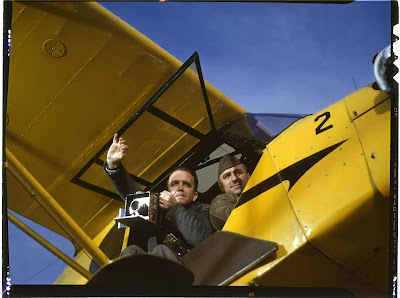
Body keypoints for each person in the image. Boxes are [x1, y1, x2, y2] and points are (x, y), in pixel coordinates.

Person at [104, 133, 213, 263]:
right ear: (168, 191)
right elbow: (134, 197)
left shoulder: (203, 210)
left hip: (192, 269)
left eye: (187, 184)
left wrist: (175, 208)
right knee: (131, 252)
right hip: (156, 271)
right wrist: (113, 166)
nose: (180, 188)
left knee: (161, 250)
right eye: (175, 183)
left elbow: (200, 238)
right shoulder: (158, 209)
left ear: (195, 196)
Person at [209, 154, 251, 230]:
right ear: (221, 186)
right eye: (227, 176)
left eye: (238, 172)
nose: (234, 178)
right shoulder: (219, 202)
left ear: (249, 177)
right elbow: (235, 216)